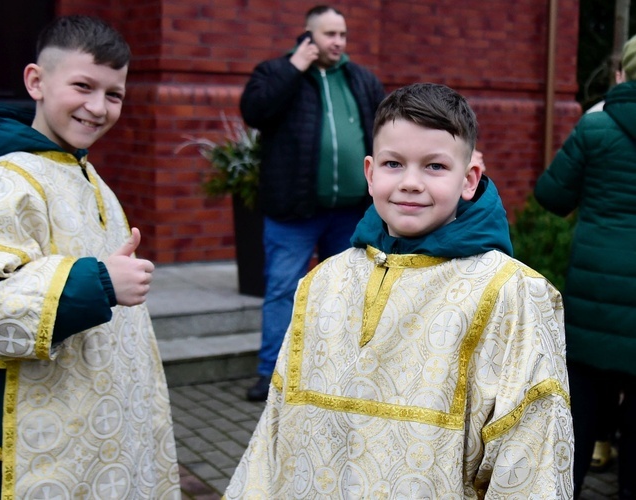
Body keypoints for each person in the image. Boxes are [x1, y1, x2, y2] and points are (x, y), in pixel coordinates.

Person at [225, 83, 573, 498]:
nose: (410, 182)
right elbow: (278, 427)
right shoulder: (323, 281)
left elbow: (531, 449)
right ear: (370, 173)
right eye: (394, 164)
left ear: (469, 179)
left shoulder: (512, 293)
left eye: (434, 167)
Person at [0, 15, 180, 499]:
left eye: (114, 94)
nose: (97, 107)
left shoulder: (89, 177)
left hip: (90, 438)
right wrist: (97, 284)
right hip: (23, 449)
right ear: (36, 81)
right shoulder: (5, 181)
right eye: (83, 86)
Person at [240, 5, 386, 401]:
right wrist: (294, 67)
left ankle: (334, 370)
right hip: (294, 210)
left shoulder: (362, 79)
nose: (338, 42)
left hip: (350, 213)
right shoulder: (276, 72)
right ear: (308, 36)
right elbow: (255, 112)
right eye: (329, 34)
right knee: (282, 289)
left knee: (345, 292)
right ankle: (270, 372)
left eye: (342, 34)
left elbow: (386, 131)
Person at [534, 34, 636, 499]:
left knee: (582, 411)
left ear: (621, 74)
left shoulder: (595, 129)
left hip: (595, 294)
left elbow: (551, 196)